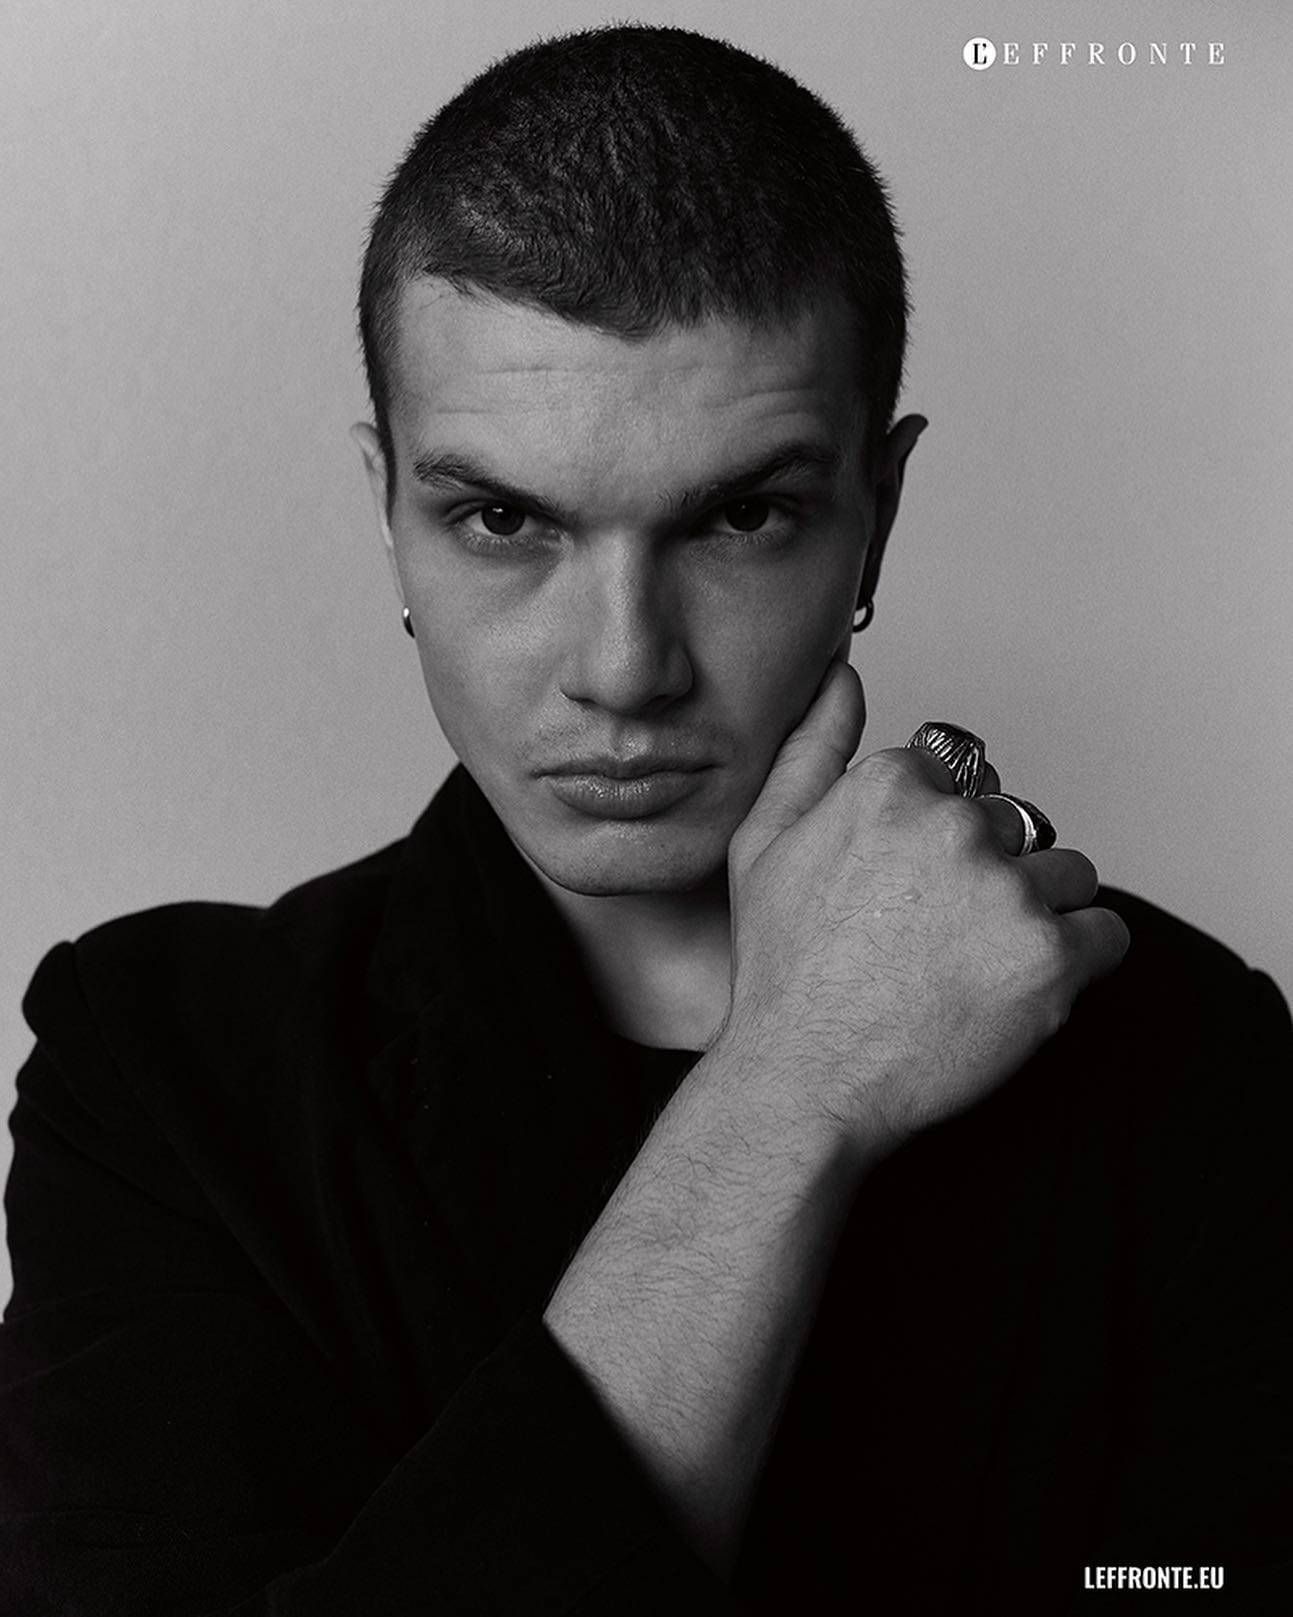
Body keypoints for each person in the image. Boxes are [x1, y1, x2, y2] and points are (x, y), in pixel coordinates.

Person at [2, 23, 1289, 1616]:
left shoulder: (1184, 1052)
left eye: (740, 515)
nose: (623, 669)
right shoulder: (161, 1071)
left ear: (875, 514)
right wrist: (789, 1090)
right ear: (388, 509)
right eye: (501, 518)